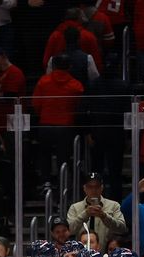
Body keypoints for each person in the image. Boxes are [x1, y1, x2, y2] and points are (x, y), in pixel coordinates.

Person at [32, 54, 85, 182]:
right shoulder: (76, 85)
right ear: (70, 67)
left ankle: (46, 183)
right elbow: (79, 107)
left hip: (45, 125)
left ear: (53, 66)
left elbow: (36, 104)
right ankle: (64, 184)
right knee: (64, 158)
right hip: (65, 127)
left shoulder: (43, 82)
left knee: (45, 155)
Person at [67, 173, 127, 252]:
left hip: (107, 253)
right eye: (90, 187)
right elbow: (69, 231)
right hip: (81, 254)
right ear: (84, 188)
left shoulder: (113, 205)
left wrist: (104, 216)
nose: (93, 190)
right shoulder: (75, 208)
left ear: (102, 188)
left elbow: (122, 228)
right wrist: (85, 214)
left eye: (97, 187)